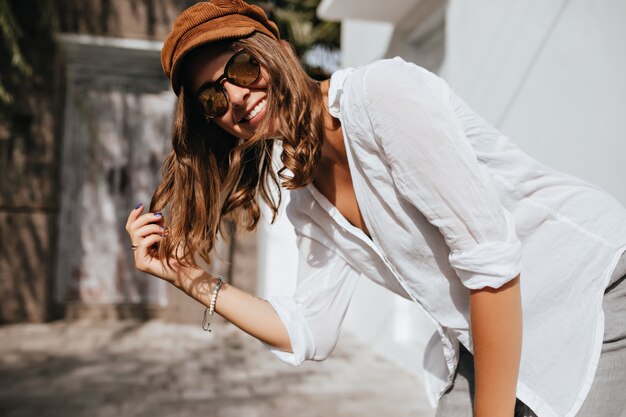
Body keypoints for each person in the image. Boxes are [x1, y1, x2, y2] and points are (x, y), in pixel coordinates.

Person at [125, 1, 626, 416]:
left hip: (588, 285)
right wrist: (181, 273)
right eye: (212, 98)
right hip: (493, 320)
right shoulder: (306, 200)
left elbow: (489, 260)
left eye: (240, 66)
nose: (236, 96)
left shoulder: (380, 96)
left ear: (272, 51)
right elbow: (307, 330)